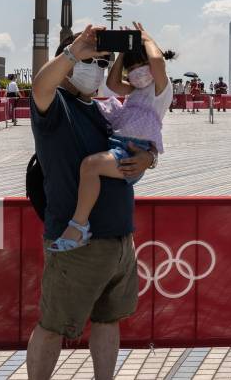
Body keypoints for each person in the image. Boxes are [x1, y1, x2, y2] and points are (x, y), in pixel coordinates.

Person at [27, 24, 155, 380]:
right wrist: (73, 53)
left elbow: (136, 141)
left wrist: (149, 159)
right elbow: (41, 85)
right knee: (53, 325)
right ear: (67, 61)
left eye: (102, 62)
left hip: (118, 240)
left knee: (108, 320)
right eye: (90, 60)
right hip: (77, 247)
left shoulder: (100, 110)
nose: (95, 69)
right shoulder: (55, 107)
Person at [48, 23, 174, 252]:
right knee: (92, 168)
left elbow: (157, 62)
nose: (138, 71)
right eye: (132, 68)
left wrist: (145, 38)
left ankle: (78, 226)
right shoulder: (135, 90)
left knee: (91, 166)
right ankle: (80, 225)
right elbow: (112, 83)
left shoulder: (161, 90)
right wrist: (124, 51)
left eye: (142, 65)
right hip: (121, 146)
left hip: (130, 152)